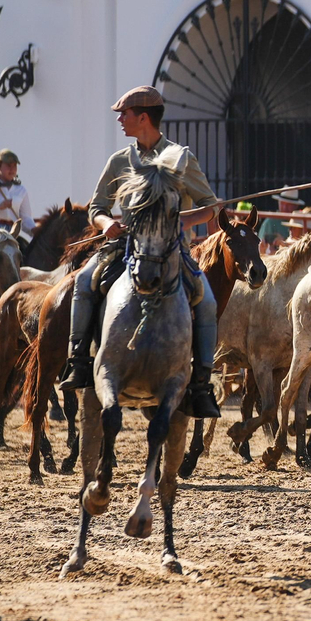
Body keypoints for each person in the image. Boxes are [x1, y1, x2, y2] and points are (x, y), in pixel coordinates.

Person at [61, 86, 223, 417]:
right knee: (83, 282)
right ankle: (78, 360)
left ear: (143, 117)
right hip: (124, 247)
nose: (120, 120)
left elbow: (211, 207)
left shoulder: (181, 159)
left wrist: (178, 220)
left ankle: (202, 385)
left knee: (207, 302)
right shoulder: (120, 161)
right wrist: (106, 223)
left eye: (125, 114)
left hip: (173, 251)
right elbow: (97, 207)